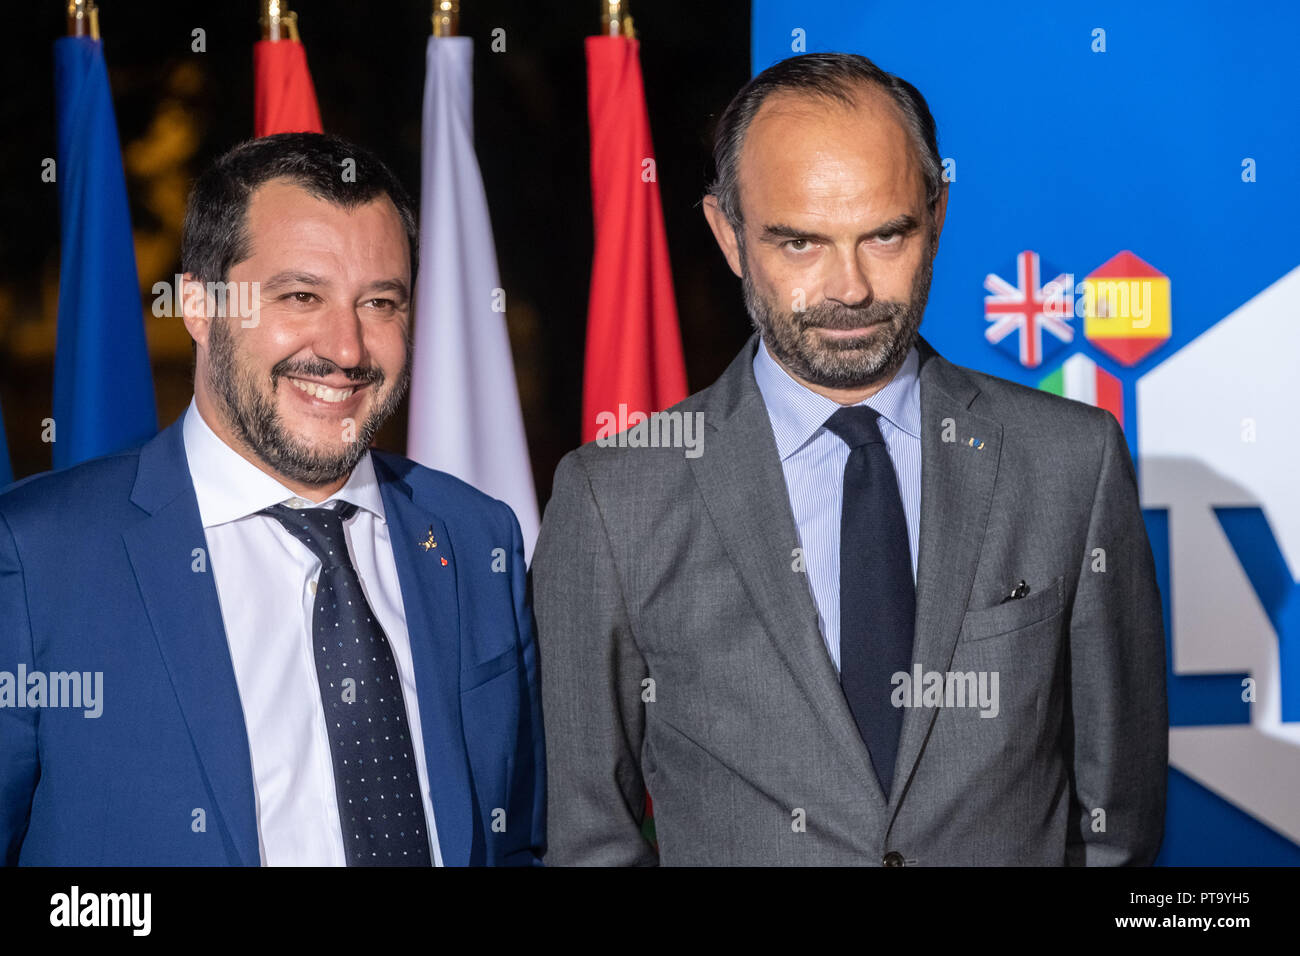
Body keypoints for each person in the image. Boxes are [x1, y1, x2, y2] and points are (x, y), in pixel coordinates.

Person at [533, 53, 1167, 866]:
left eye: (886, 234)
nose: (850, 289)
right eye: (799, 243)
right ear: (728, 235)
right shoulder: (612, 498)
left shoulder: (1072, 464)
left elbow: (1117, 822)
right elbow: (590, 838)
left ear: (936, 215)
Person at [0, 133, 544, 866]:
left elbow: (524, 840)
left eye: (379, 302)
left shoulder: (478, 538)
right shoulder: (38, 559)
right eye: (300, 296)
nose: (347, 349)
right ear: (198, 305)